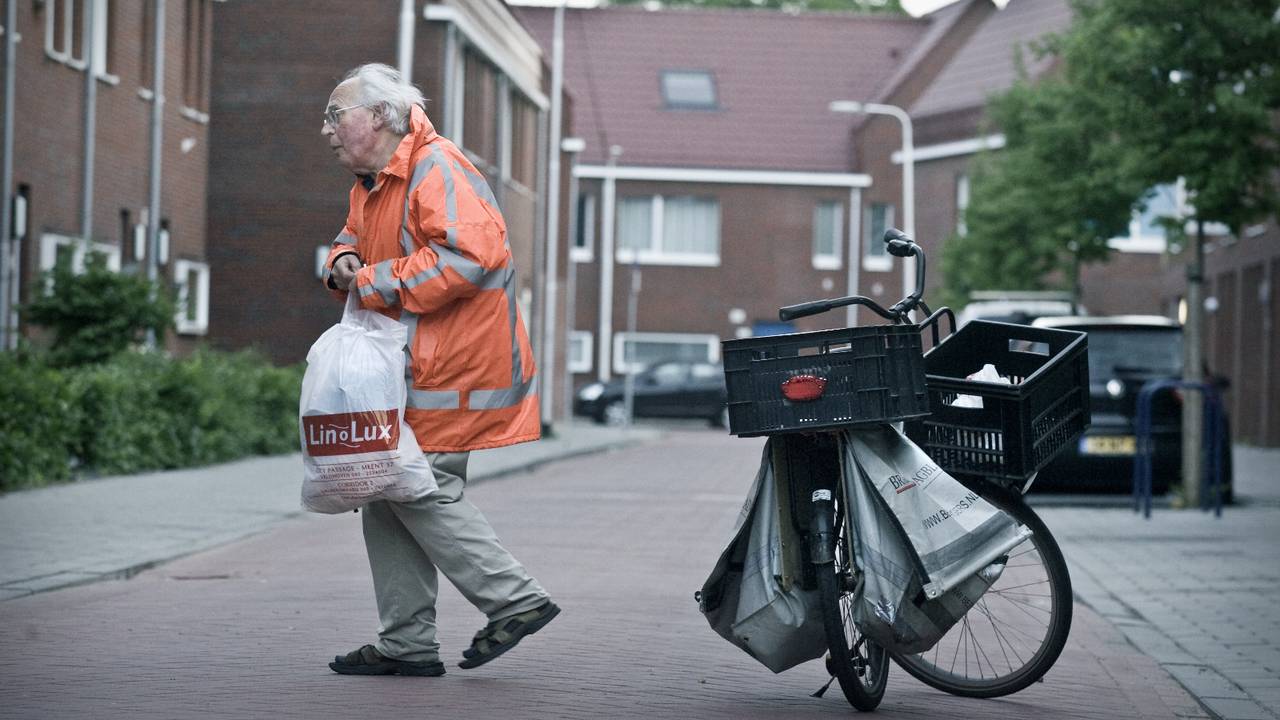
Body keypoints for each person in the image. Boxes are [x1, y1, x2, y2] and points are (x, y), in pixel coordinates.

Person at [319, 63, 558, 677]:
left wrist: (368, 280)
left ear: (377, 117)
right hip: (410, 365)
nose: (326, 130)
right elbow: (353, 237)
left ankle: (514, 599)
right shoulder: (374, 180)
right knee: (385, 486)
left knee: (421, 487)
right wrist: (343, 260)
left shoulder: (438, 167)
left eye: (334, 115)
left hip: (448, 368)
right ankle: (406, 643)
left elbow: (467, 259)